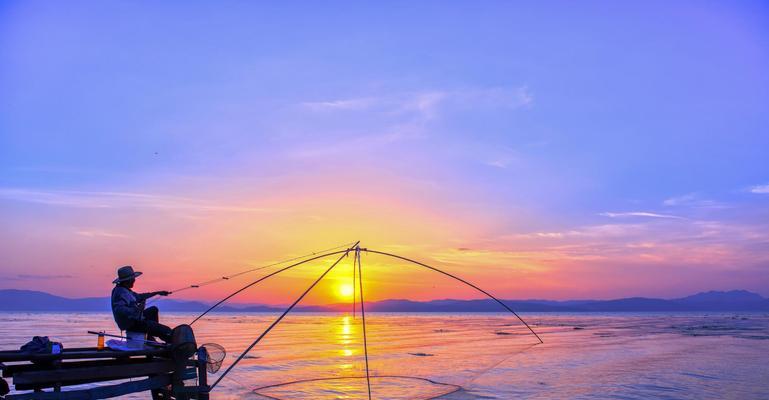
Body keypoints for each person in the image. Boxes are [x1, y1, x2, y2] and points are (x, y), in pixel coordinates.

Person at [111, 265, 173, 343]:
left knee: (153, 310)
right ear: (128, 280)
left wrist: (157, 293)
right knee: (166, 330)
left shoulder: (126, 290)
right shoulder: (120, 292)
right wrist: (137, 310)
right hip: (133, 324)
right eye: (133, 279)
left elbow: (140, 297)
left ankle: (149, 338)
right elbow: (119, 309)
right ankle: (170, 344)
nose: (134, 280)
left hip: (137, 320)